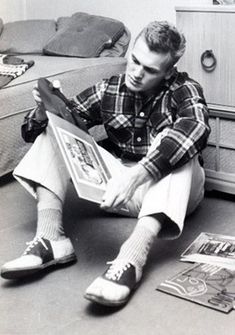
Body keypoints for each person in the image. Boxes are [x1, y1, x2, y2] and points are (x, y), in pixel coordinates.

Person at [1, 21, 210, 307]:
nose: (136, 73)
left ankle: (130, 258)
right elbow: (35, 133)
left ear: (168, 73)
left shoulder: (184, 89)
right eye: (134, 61)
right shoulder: (109, 88)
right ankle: (51, 238)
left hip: (173, 193)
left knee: (177, 146)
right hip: (120, 188)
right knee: (56, 127)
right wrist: (43, 110)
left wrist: (139, 174)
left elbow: (195, 129)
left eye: (149, 70)